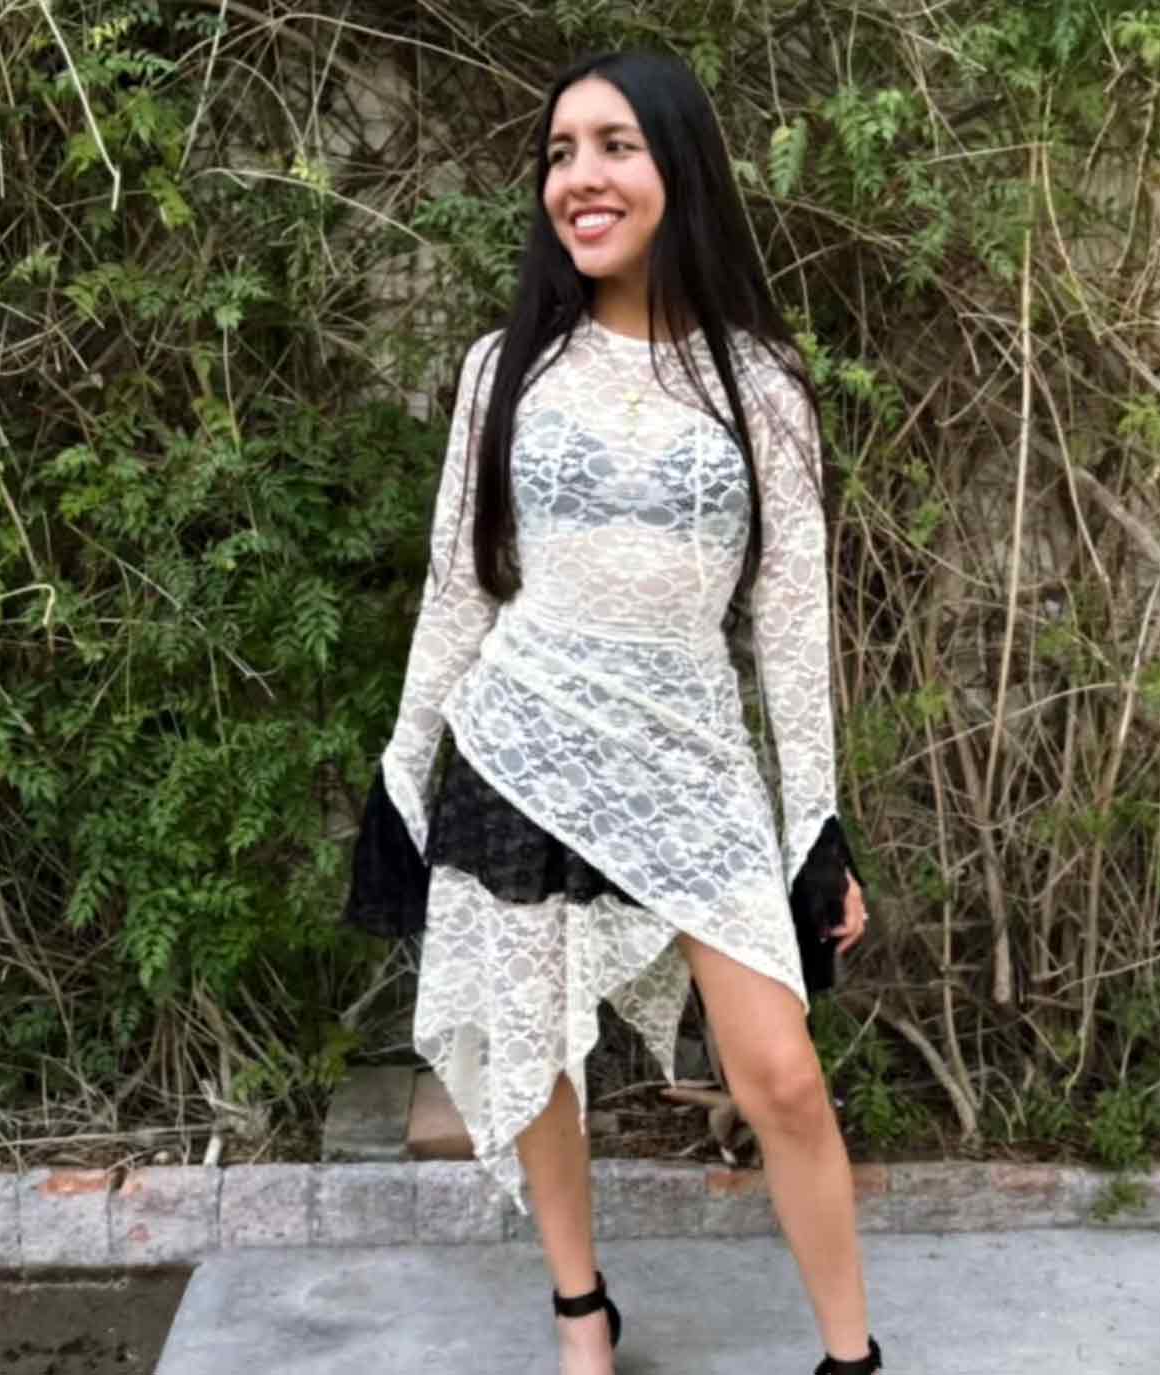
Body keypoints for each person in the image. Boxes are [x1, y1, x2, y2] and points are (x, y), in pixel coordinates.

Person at [343, 48, 882, 1375]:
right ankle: (582, 1312)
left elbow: (792, 620)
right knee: (537, 1053)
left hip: (691, 761)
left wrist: (815, 823)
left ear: (678, 165)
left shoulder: (763, 385)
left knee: (781, 1075)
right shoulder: (504, 369)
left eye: (614, 146)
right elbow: (460, 586)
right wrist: (404, 769)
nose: (579, 177)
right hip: (519, 743)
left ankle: (851, 1357)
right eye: (559, 152)